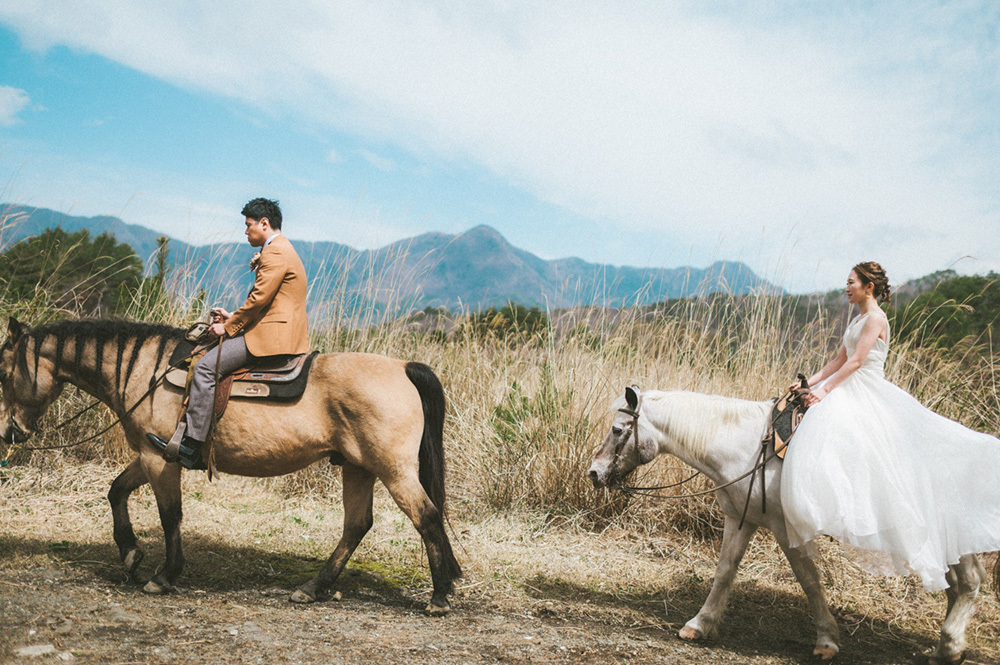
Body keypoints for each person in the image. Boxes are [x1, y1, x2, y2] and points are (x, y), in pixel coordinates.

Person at [780, 261, 1000, 591]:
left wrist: (824, 392)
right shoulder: (857, 318)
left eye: (852, 282)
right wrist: (808, 383)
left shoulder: (876, 318)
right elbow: (839, 359)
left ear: (869, 287)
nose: (846, 287)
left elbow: (856, 363)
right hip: (848, 387)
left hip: (866, 391)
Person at [147, 197, 310, 468]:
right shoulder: (282, 250)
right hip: (277, 330)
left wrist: (227, 327)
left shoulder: (276, 252)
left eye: (249, 226)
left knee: (205, 368)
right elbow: (270, 303)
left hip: (273, 339)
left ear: (265, 223)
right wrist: (233, 316)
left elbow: (259, 299)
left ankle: (192, 444)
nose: (245, 232)